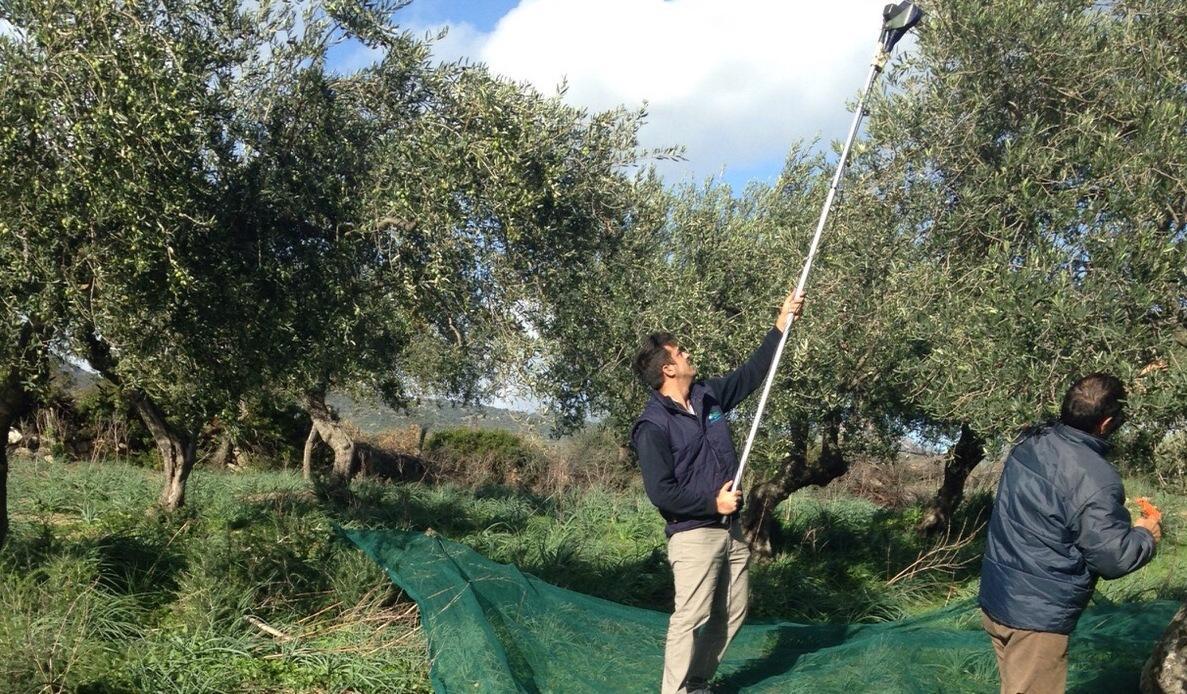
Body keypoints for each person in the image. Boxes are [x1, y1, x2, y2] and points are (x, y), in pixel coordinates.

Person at [630, 291, 804, 694]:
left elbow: (751, 374)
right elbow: (661, 493)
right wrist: (713, 503)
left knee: (734, 609)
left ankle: (696, 682)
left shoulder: (707, 396)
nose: (690, 355)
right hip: (694, 532)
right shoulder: (653, 426)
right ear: (669, 368)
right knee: (689, 617)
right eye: (682, 352)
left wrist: (781, 325)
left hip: (731, 528)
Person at [979, 373, 1162, 694]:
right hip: (1035, 619)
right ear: (1105, 424)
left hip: (998, 596)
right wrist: (1146, 535)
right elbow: (1113, 558)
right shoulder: (1096, 477)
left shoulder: (1031, 441)